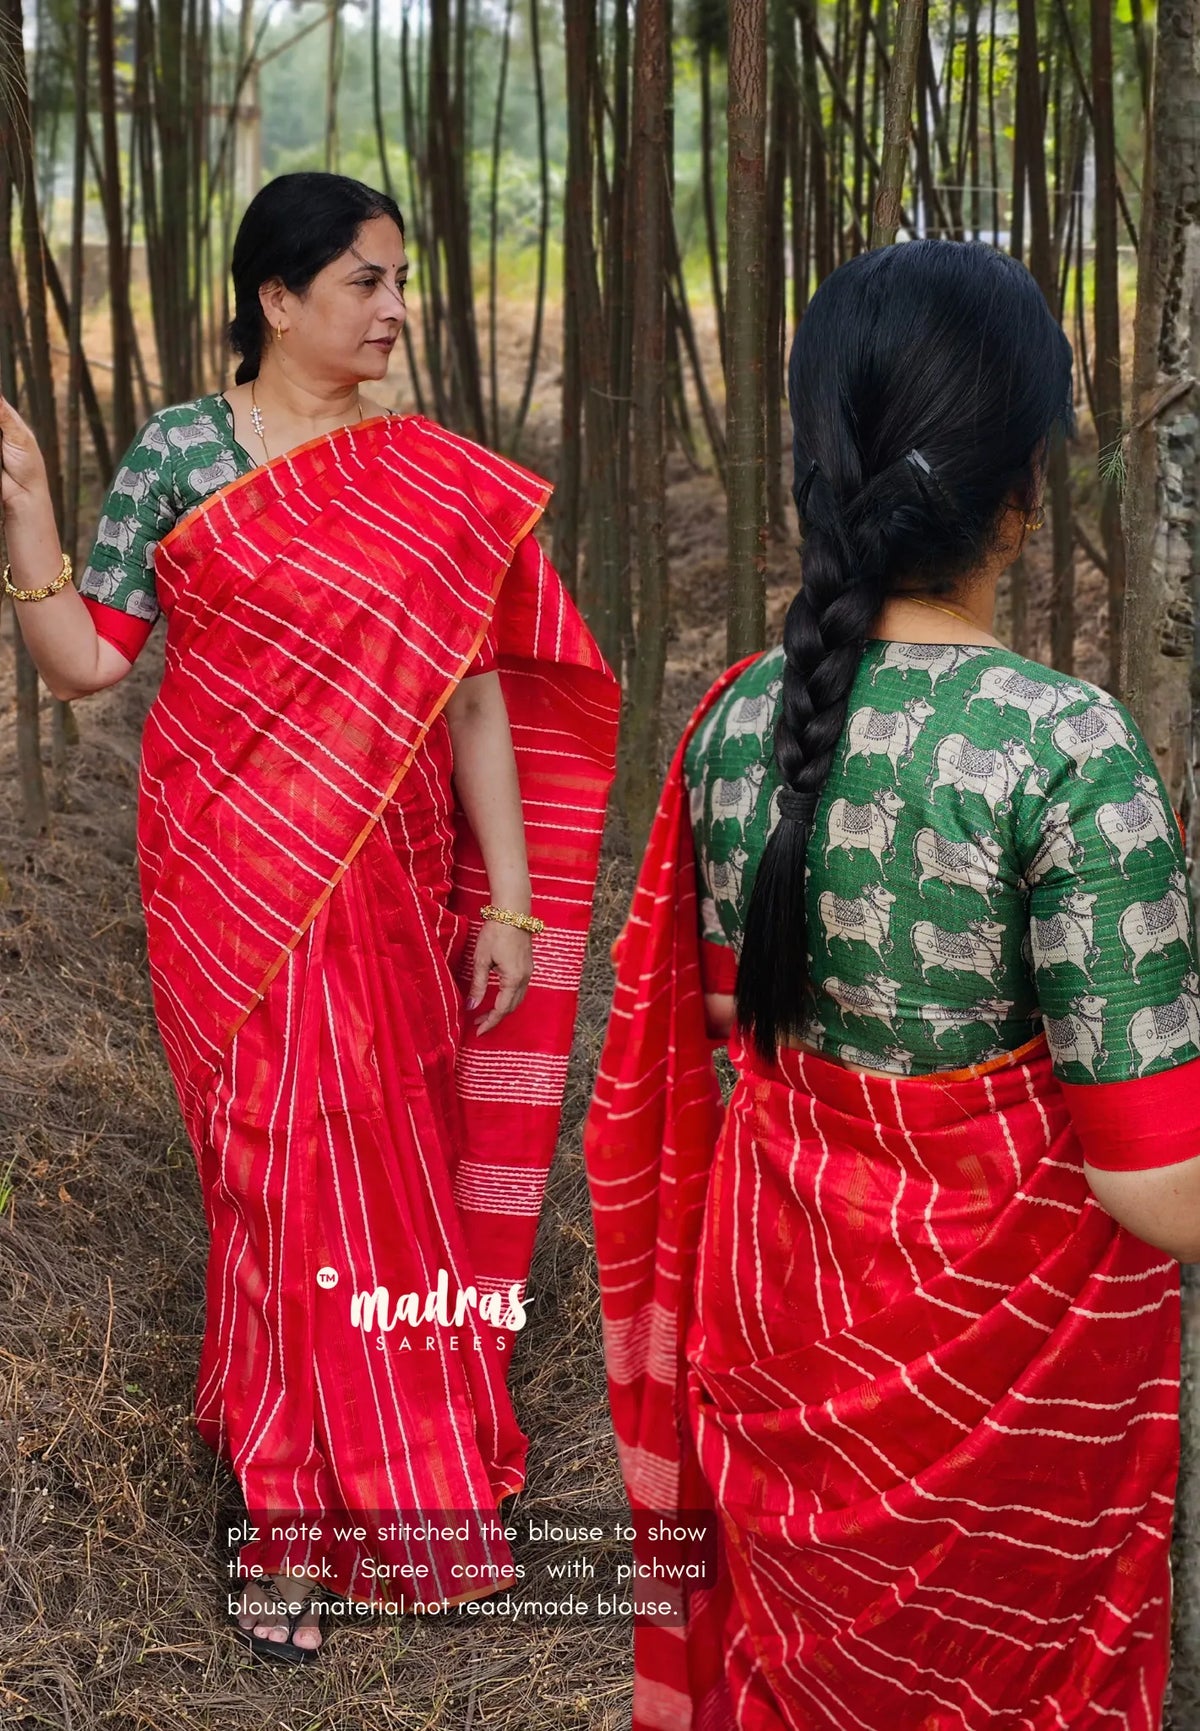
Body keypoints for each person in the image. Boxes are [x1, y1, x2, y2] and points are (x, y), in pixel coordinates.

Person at [3, 171, 620, 1662]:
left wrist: (516, 899)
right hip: (230, 881)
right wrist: (25, 519)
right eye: (365, 281)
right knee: (276, 1188)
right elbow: (87, 664)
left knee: (392, 1169)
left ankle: (409, 1484)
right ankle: (284, 1525)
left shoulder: (428, 471)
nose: (398, 309)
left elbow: (474, 694)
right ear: (277, 298)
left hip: (395, 887)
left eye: (399, 279)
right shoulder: (181, 458)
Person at [583, 239, 1200, 1730]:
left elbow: (740, 1033)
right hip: (1007, 1402)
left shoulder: (738, 719)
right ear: (1024, 486)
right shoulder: (1064, 747)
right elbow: (1161, 1188)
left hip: (785, 1320)